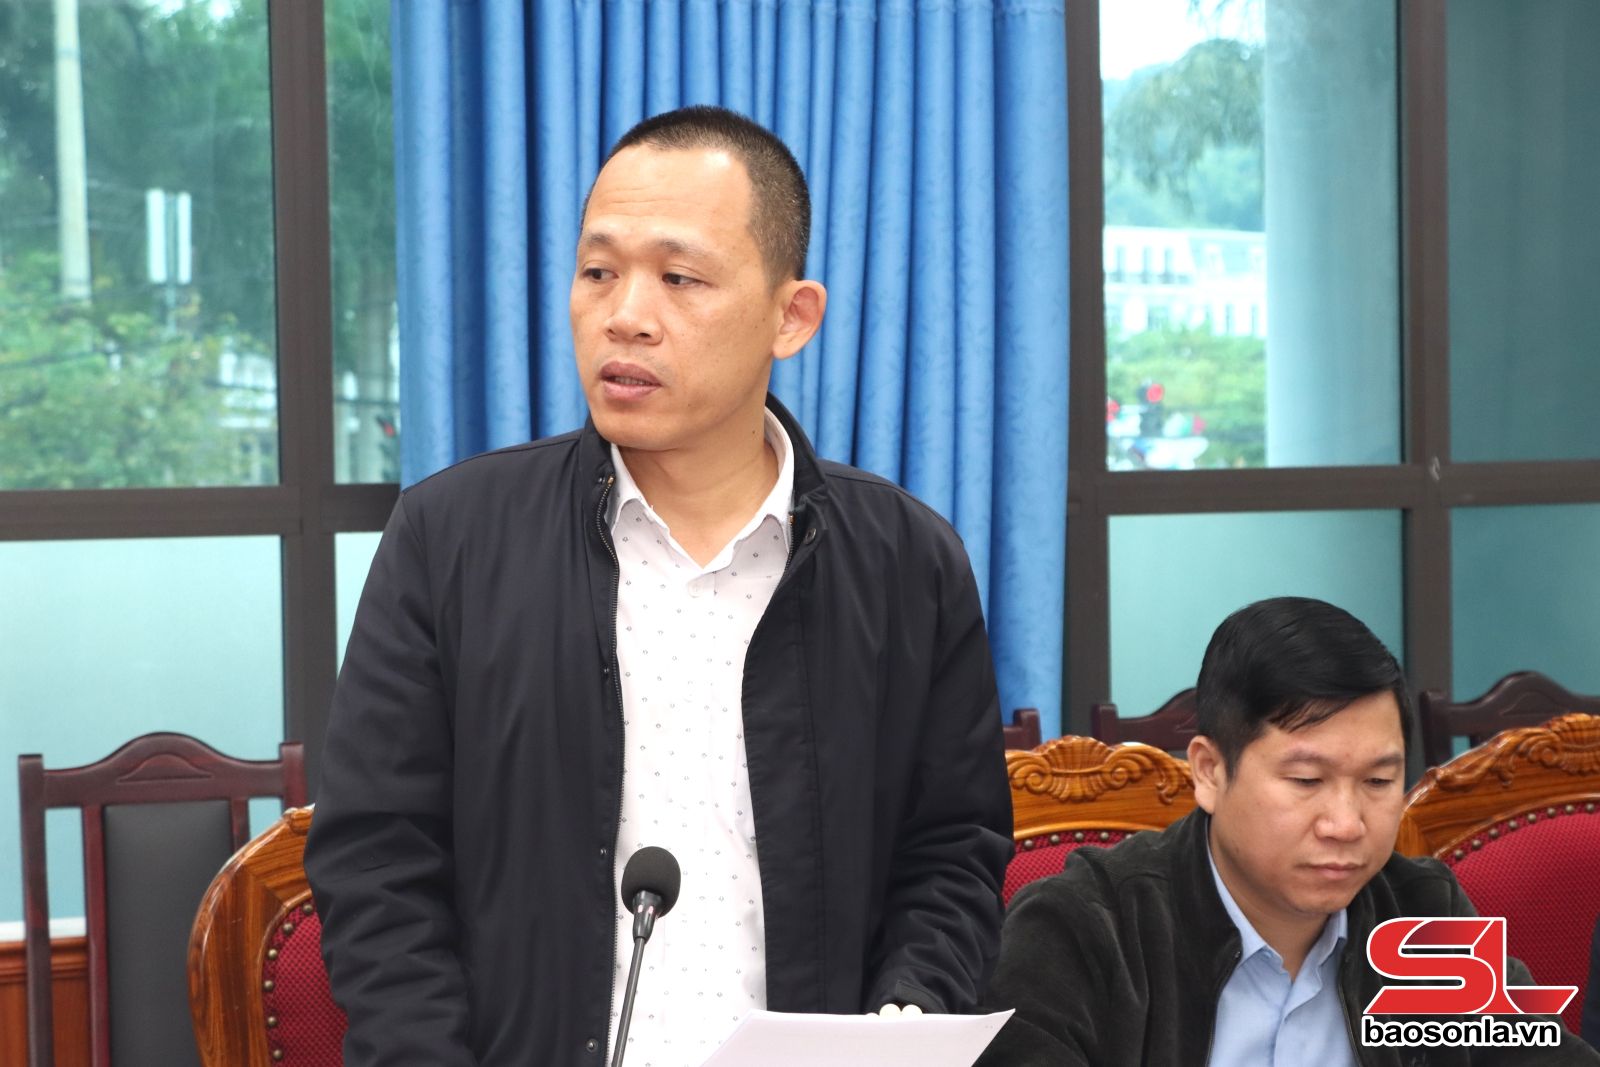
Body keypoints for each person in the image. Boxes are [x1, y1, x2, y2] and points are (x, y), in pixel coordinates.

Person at [304, 105, 1012, 1067]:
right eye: (599, 271)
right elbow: (377, 861)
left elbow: (953, 849)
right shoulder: (450, 538)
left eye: (680, 278)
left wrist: (907, 1017)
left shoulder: (907, 562)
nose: (625, 314)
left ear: (792, 316)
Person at [978, 596, 1600, 1066]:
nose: (1345, 824)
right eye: (1306, 781)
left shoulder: (1421, 913)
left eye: (1378, 781)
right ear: (1210, 771)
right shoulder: (1086, 928)